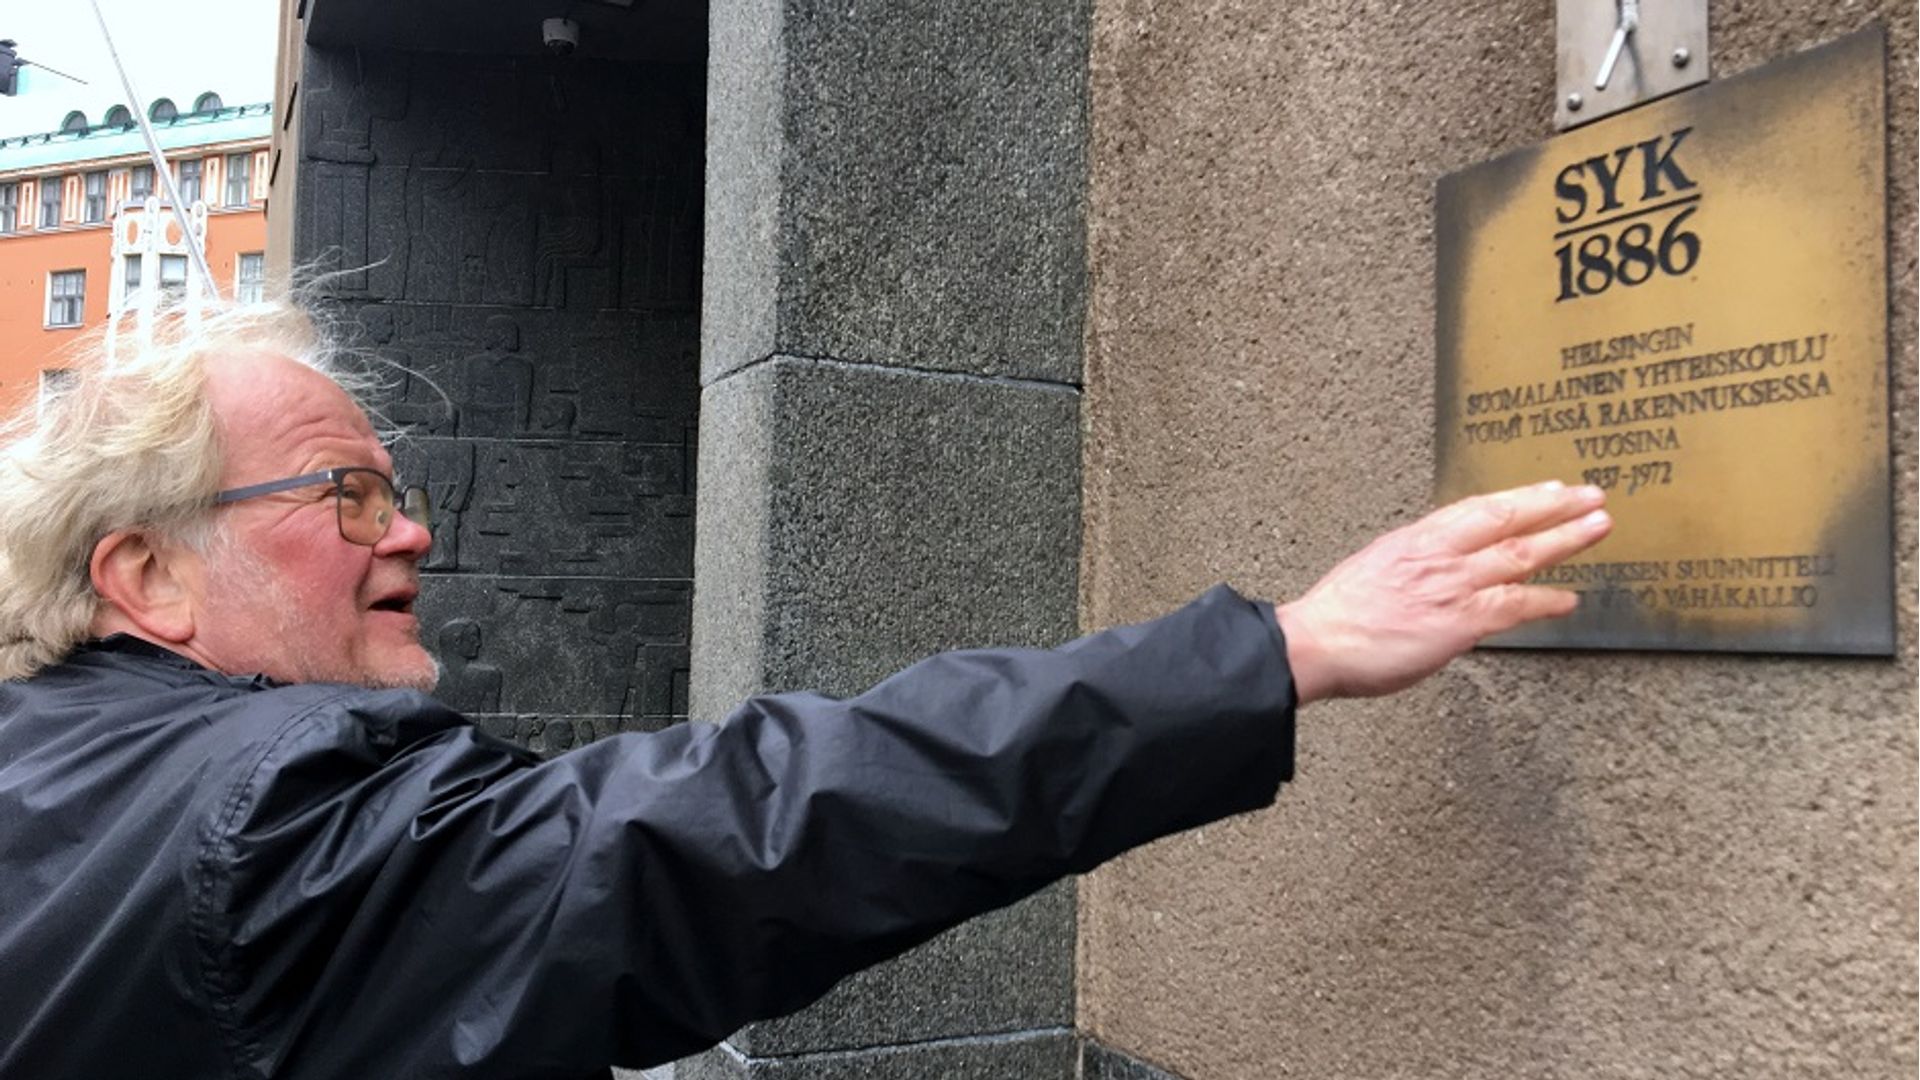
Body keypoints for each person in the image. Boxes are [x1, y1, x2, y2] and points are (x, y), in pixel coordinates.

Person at [0, 301, 1612, 1079]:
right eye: (345, 496)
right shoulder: (261, 830)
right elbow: (740, 829)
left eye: (396, 490)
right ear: (145, 575)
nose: (411, 529)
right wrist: (1279, 651)